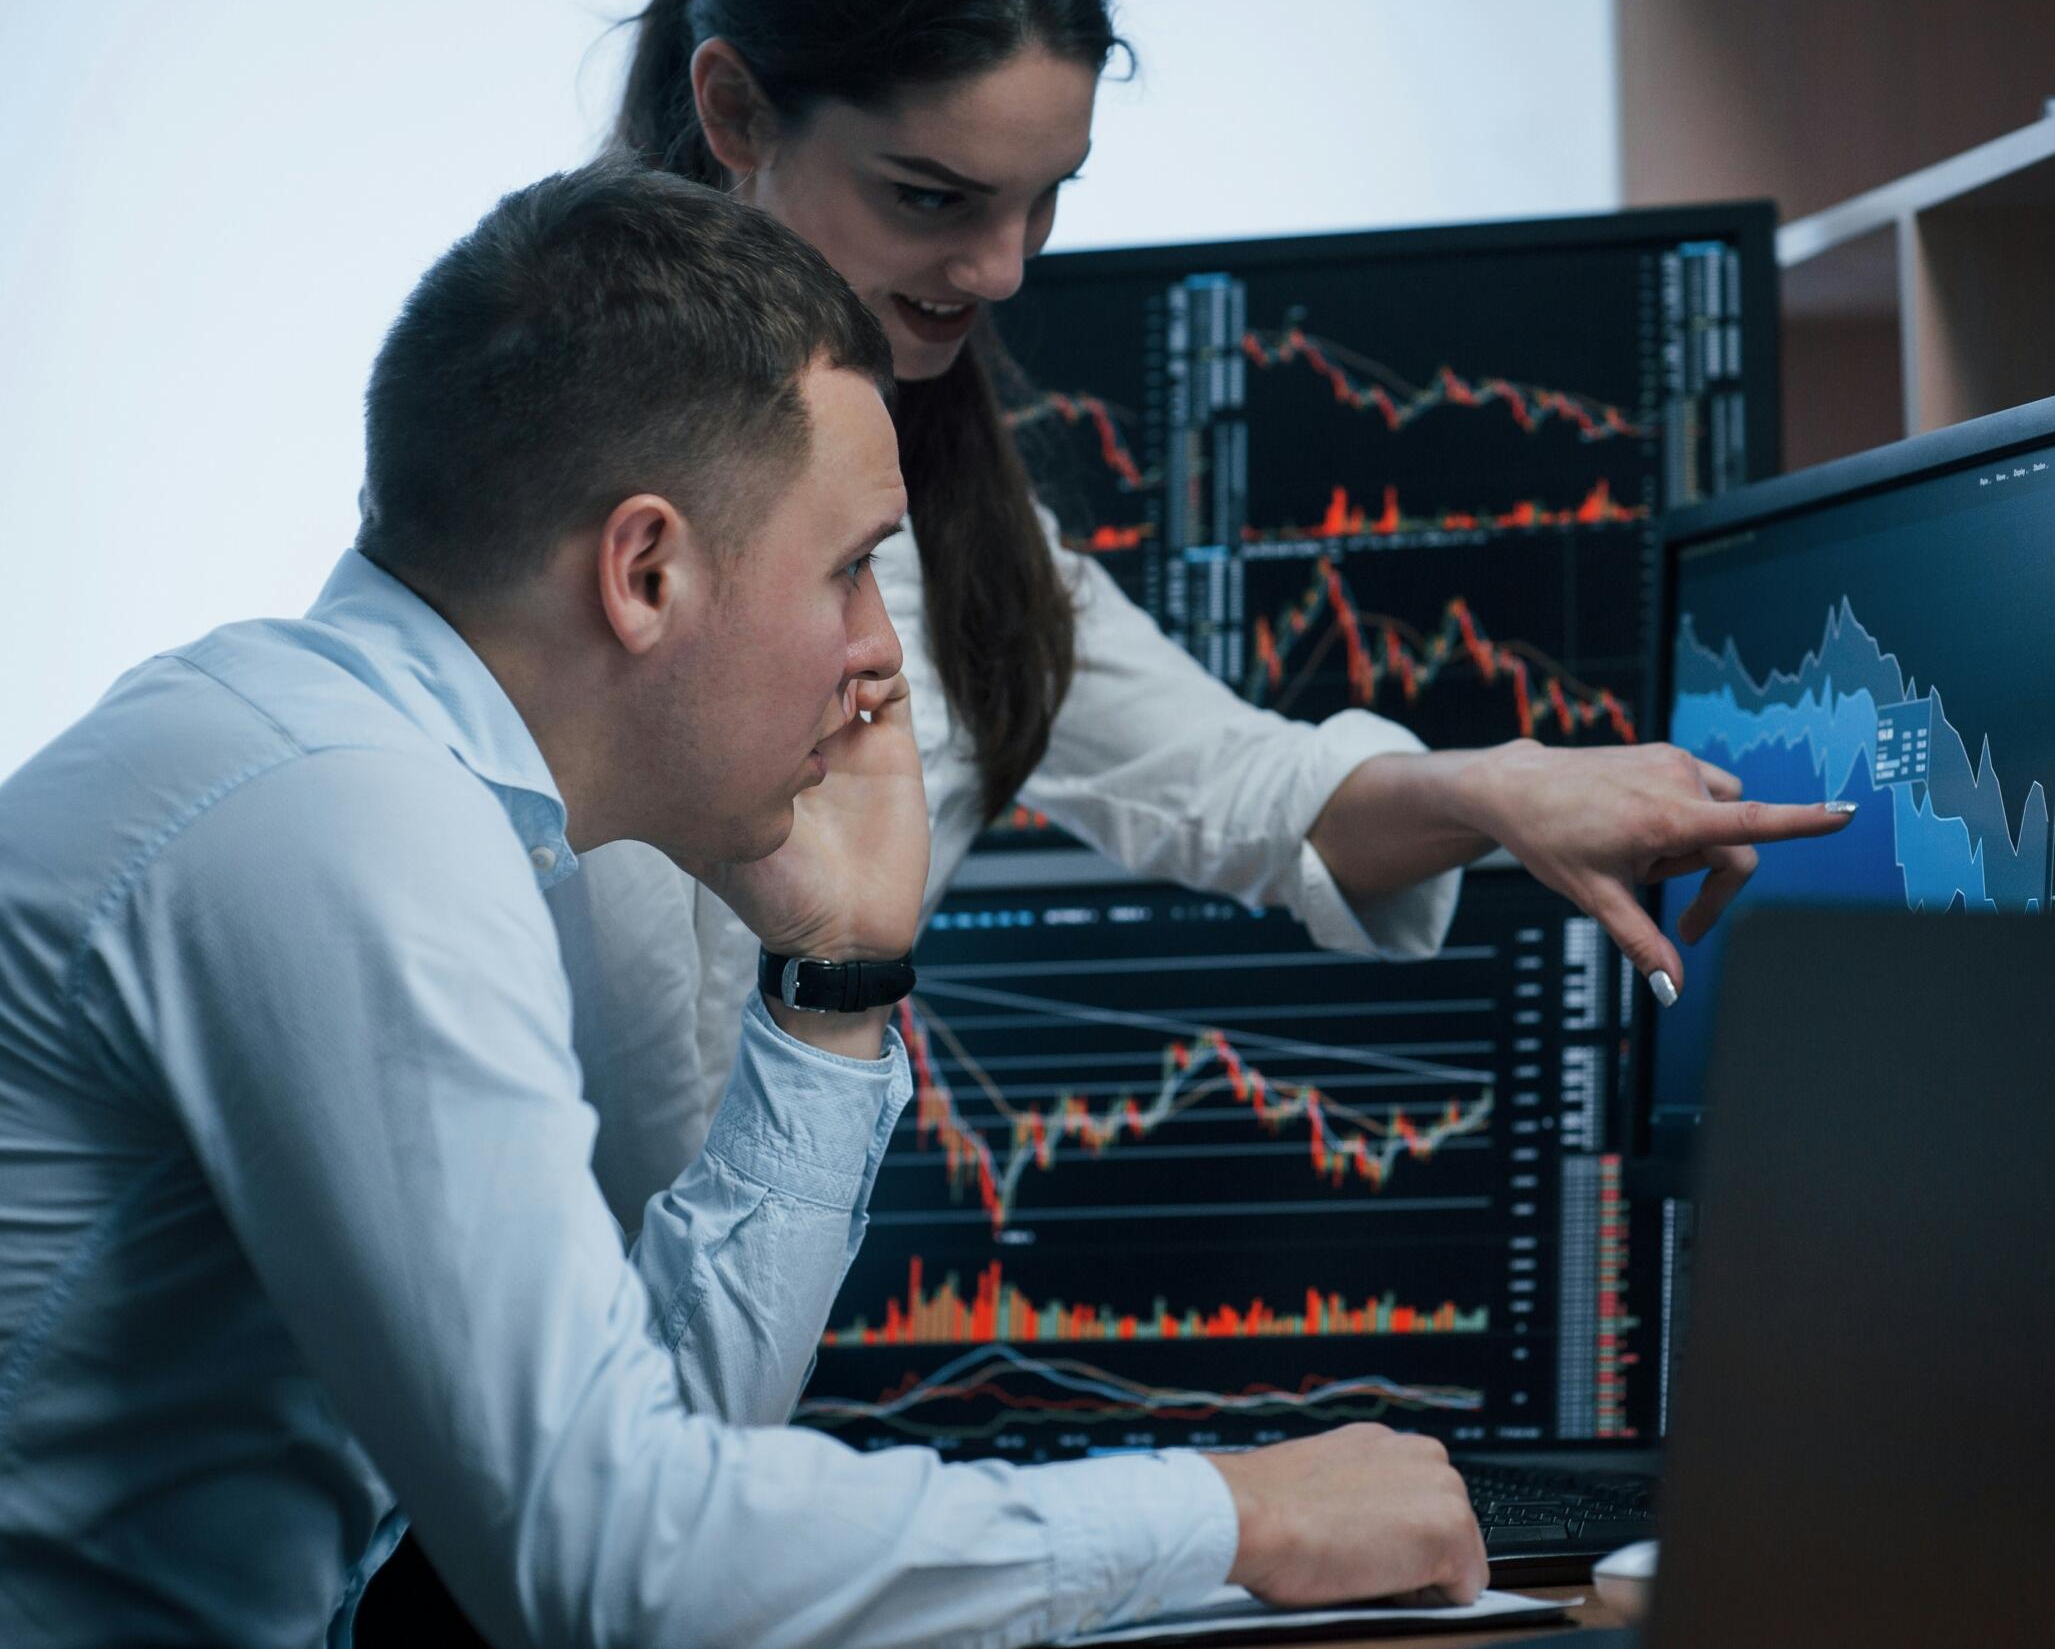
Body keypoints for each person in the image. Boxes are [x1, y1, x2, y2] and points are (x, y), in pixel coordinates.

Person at [0, 161, 1483, 1647]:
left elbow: (650, 1454)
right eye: (848, 572)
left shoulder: (384, 780)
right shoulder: (350, 827)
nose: (875, 658)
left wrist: (835, 977)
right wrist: (1244, 1513)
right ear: (645, 571)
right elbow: (617, 1572)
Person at [568, 0, 1852, 1230]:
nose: (1006, 270)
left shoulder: (949, 503)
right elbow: (620, 1178)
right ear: (734, 110)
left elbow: (1230, 783)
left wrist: (1496, 788)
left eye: (1045, 197)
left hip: (703, 1346)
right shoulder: (551, 502)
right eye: (931, 198)